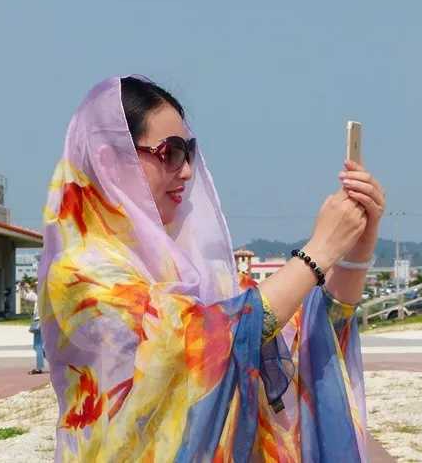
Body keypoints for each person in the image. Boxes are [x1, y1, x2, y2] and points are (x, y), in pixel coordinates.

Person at [39, 76, 385, 461]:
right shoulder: (80, 272)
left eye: (189, 152)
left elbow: (294, 334)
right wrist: (319, 250)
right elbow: (200, 341)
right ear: (109, 160)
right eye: (170, 152)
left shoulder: (188, 267)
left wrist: (356, 250)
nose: (187, 170)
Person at [20, 281, 45, 374]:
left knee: (38, 346)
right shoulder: (42, 296)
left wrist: (25, 287)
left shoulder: (41, 297)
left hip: (40, 322)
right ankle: (57, 362)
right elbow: (26, 296)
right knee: (40, 347)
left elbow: (27, 296)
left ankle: (39, 367)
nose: (35, 287)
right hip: (43, 322)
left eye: (36, 286)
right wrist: (24, 288)